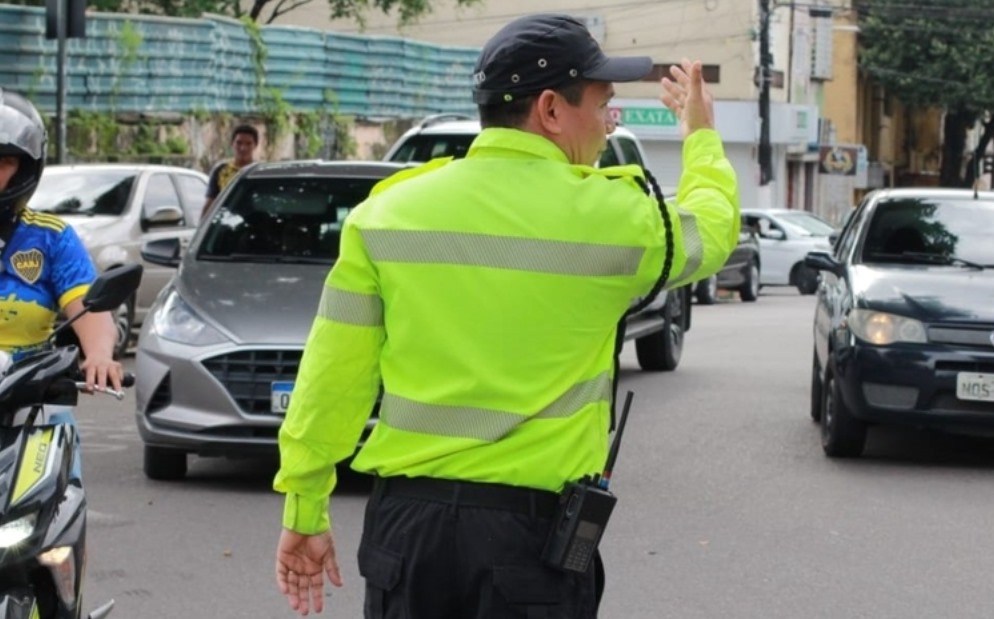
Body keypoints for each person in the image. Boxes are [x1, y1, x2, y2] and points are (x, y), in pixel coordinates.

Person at [273, 13, 740, 618]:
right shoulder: (613, 218)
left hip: (407, 535)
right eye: (603, 104)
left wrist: (305, 506)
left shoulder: (385, 215)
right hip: (530, 542)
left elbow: (331, 378)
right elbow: (713, 229)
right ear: (551, 109)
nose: (609, 125)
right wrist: (700, 135)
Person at [0, 88, 124, 481]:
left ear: (25, 169)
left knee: (60, 498)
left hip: (33, 405)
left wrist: (99, 355)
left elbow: (89, 307)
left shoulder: (52, 238)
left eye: (3, 162)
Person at [202, 124, 259, 219]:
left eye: (248, 144)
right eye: (239, 143)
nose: (243, 148)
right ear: (232, 144)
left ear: (255, 145)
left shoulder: (259, 171)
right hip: (226, 221)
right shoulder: (220, 170)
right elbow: (211, 202)